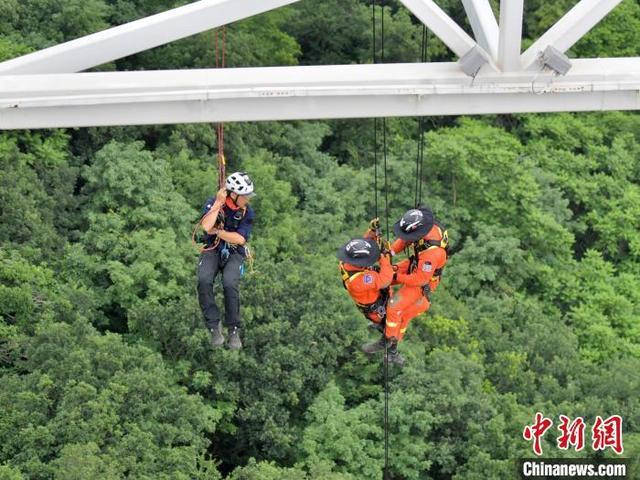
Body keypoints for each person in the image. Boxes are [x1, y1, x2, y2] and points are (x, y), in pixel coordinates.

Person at [362, 207, 449, 365]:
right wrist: (389, 253)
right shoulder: (425, 228)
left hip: (422, 280)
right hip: (415, 265)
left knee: (394, 307)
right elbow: (405, 240)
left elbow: (420, 279)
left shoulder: (432, 254)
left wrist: (396, 276)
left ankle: (389, 345)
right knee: (383, 276)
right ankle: (382, 319)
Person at [197, 172, 256, 349]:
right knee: (204, 280)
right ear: (233, 194)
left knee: (230, 284)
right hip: (212, 249)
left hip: (234, 252)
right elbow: (206, 226)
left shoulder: (247, 212)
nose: (247, 199)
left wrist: (219, 233)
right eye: (244, 196)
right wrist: (218, 203)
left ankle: (233, 329)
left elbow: (240, 239)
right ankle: (214, 327)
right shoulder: (213, 203)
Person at [337, 228, 393, 331]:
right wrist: (383, 258)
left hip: (374, 296)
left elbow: (362, 246)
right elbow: (386, 280)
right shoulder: (358, 281)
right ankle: (383, 328)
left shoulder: (346, 262)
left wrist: (372, 231)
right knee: (392, 317)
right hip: (376, 309)